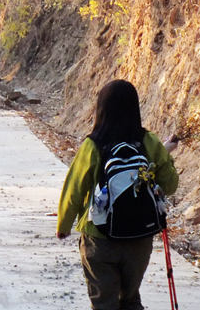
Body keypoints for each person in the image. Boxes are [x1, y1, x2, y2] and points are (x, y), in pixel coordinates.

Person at [57, 79, 179, 310]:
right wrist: (165, 155)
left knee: (104, 303)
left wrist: (64, 225)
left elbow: (74, 188)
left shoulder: (93, 145)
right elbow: (170, 185)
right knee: (130, 299)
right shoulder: (149, 142)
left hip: (99, 237)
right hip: (140, 238)